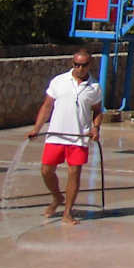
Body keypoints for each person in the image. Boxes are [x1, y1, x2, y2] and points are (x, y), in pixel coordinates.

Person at [28, 49, 103, 224]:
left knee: (74, 173)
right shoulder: (59, 81)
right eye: (76, 64)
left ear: (89, 65)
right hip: (56, 135)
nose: (80, 68)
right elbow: (47, 106)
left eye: (83, 65)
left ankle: (67, 212)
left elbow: (98, 111)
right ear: (72, 63)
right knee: (46, 170)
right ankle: (57, 197)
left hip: (79, 137)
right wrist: (36, 129)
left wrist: (96, 128)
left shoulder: (94, 87)